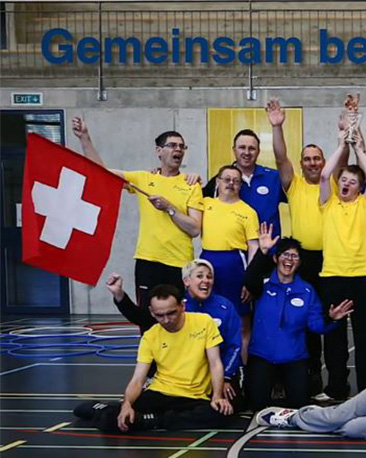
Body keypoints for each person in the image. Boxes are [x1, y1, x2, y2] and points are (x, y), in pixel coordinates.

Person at [71, 117, 202, 312]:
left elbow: (195, 229)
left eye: (182, 147)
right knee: (147, 316)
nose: (178, 150)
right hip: (148, 261)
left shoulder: (191, 185)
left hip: (180, 263)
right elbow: (101, 173)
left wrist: (169, 208)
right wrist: (84, 138)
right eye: (172, 145)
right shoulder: (143, 178)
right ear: (159, 151)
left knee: (179, 317)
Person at [74, 284, 233, 432]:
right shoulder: (150, 336)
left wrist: (217, 396)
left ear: (182, 306)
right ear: (151, 312)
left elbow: (215, 363)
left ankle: (152, 420)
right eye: (159, 315)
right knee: (115, 418)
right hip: (160, 393)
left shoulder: (204, 322)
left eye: (171, 313)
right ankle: (106, 410)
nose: (166, 320)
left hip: (195, 397)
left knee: (221, 413)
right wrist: (127, 404)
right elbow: (138, 379)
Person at [269, 98, 347, 397]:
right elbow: (280, 159)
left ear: (324, 162)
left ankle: (337, 384)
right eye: (308, 159)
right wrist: (277, 127)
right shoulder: (294, 185)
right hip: (302, 262)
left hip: (333, 261)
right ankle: (310, 380)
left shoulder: (334, 183)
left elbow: (344, 158)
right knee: (306, 322)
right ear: (301, 164)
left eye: (317, 158)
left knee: (334, 320)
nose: (313, 163)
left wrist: (346, 132)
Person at [242, 227, 354, 410]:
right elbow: (249, 280)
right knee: (256, 404)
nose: (289, 259)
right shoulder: (262, 284)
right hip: (262, 356)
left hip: (294, 358)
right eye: (285, 255)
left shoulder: (307, 291)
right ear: (276, 258)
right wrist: (262, 252)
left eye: (294, 256)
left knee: (299, 403)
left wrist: (332, 319)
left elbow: (316, 325)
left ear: (299, 263)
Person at [106, 261, 242, 397]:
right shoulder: (174, 306)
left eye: (209, 277)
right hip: (182, 377)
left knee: (230, 403)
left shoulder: (225, 307)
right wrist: (119, 295)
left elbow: (235, 345)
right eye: (200, 276)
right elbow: (141, 318)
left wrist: (225, 377)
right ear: (186, 281)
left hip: (219, 371)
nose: (205, 280)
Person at [317, 127, 366, 399]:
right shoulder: (328, 203)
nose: (346, 184)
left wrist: (357, 148)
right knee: (335, 336)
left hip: (361, 277)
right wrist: (342, 144)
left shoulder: (364, 205)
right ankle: (336, 388)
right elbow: (324, 174)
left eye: (352, 182)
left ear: (359, 187)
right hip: (333, 277)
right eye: (342, 179)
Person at [200, 165, 260, 363]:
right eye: (227, 179)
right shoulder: (205, 204)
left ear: (241, 185)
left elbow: (253, 246)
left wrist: (250, 278)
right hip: (207, 263)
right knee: (206, 318)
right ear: (217, 182)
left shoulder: (248, 212)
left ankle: (240, 369)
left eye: (236, 180)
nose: (231, 183)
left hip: (235, 266)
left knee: (241, 321)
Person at [206, 128, 285, 240]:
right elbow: (199, 208)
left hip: (269, 247)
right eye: (242, 147)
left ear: (258, 151)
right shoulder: (220, 181)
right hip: (234, 248)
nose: (247, 153)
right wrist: (192, 180)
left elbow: (296, 197)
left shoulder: (274, 177)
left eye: (251, 148)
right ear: (234, 150)